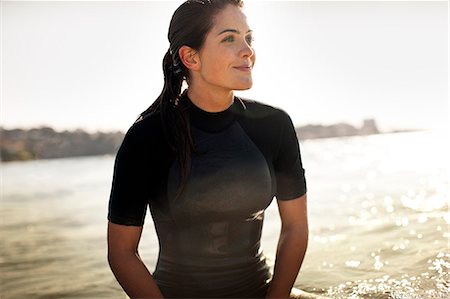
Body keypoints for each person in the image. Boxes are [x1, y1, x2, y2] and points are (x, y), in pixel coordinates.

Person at [107, 0, 309, 298]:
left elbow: (295, 227)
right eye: (230, 38)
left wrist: (276, 296)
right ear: (190, 57)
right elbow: (122, 253)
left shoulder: (273, 126)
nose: (248, 51)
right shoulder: (146, 138)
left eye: (248, 38)